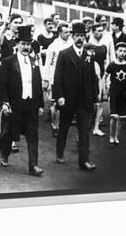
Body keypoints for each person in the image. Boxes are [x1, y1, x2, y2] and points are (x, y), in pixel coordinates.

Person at [0, 25, 44, 176]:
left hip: (31, 104)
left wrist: (40, 104)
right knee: (10, 132)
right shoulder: (9, 61)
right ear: (17, 44)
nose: (26, 47)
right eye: (23, 43)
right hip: (15, 104)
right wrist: (4, 103)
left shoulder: (34, 61)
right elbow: (1, 84)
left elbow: (38, 83)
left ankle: (33, 165)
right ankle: (5, 153)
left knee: (32, 134)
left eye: (28, 44)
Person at [53, 21, 99, 171]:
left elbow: (93, 78)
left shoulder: (89, 56)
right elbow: (57, 77)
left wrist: (94, 98)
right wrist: (59, 96)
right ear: (72, 37)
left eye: (82, 36)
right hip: (68, 99)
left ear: (85, 38)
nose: (80, 39)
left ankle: (84, 161)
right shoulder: (64, 54)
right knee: (64, 127)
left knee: (84, 130)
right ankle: (60, 152)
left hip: (84, 100)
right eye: (77, 35)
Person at [42, 22, 72, 137]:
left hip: (68, 78)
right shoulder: (54, 46)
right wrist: (46, 79)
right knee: (55, 103)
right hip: (55, 77)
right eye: (66, 32)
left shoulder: (71, 43)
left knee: (66, 103)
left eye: (69, 32)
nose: (68, 34)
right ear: (59, 33)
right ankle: (55, 126)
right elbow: (47, 63)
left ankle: (62, 125)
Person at [105, 42, 126, 146]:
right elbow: (105, 76)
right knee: (114, 116)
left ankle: (117, 136)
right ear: (116, 52)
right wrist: (106, 88)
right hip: (114, 92)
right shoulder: (112, 65)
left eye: (124, 51)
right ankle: (111, 136)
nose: (122, 53)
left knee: (122, 117)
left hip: (123, 93)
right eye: (120, 51)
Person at [88, 23, 109, 137]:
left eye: (102, 31)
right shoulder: (89, 46)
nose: (100, 33)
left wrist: (105, 78)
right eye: (98, 31)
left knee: (100, 103)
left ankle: (96, 128)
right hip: (89, 78)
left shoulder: (104, 47)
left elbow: (105, 63)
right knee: (89, 104)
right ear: (93, 32)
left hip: (100, 78)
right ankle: (87, 127)